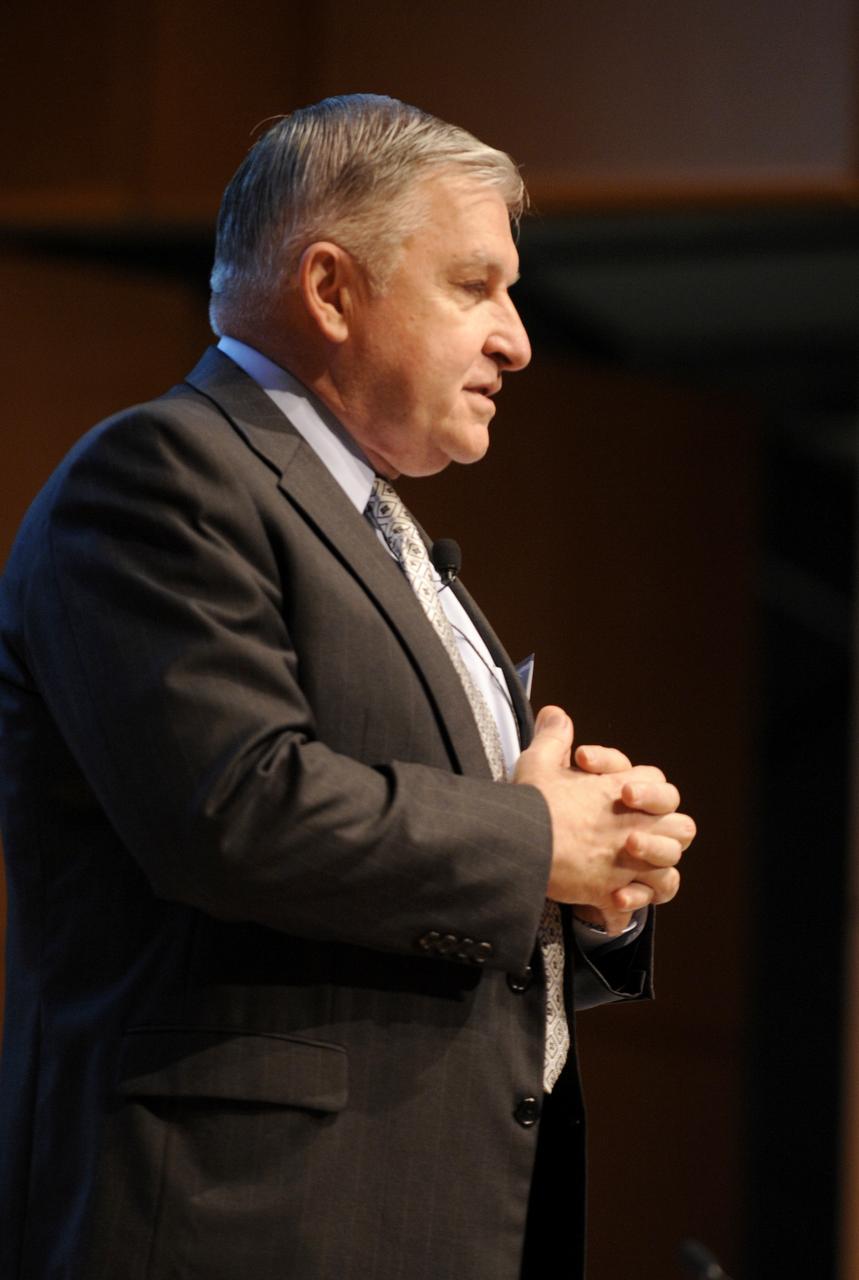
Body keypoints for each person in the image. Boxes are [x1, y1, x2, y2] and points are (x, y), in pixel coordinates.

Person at [0, 94, 695, 1280]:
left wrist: (588, 889)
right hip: (245, 1224)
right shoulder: (165, 475)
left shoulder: (390, 532)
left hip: (425, 1209)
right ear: (330, 289)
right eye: (474, 286)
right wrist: (533, 841)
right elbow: (239, 808)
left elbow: (405, 885)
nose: (517, 337)